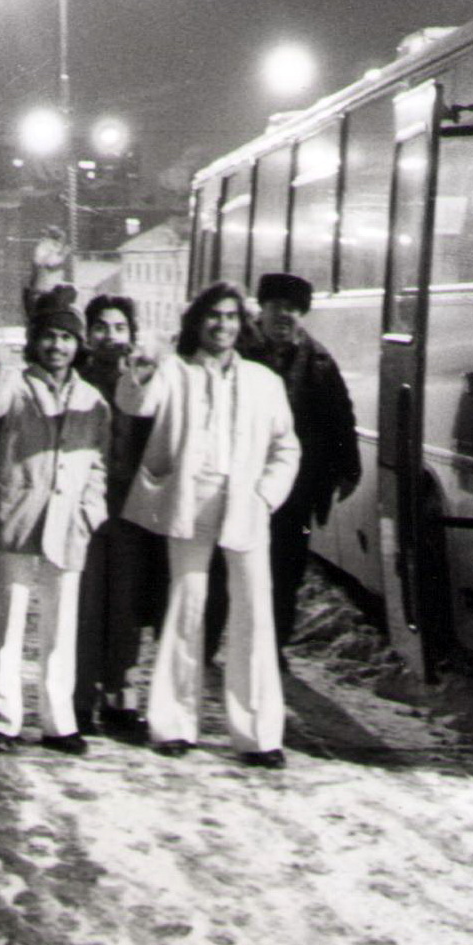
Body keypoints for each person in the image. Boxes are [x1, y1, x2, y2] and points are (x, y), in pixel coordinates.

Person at [118, 282, 300, 769]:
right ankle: (174, 724)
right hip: (189, 501)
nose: (223, 325)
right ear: (198, 322)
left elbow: (287, 448)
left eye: (232, 317)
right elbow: (135, 403)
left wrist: (266, 495)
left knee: (254, 611)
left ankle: (260, 734)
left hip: (246, 505)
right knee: (187, 604)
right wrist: (141, 368)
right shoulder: (174, 372)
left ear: (244, 324)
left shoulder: (265, 381)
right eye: (213, 316)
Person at [0, 298, 110, 754]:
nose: (56, 346)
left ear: (78, 345)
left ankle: (58, 721)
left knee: (61, 624)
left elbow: (99, 464)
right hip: (19, 518)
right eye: (48, 336)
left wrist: (91, 511)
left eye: (66, 338)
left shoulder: (93, 401)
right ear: (34, 341)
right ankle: (4, 719)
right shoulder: (16, 388)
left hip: (69, 524)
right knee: (8, 619)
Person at [250, 273, 361, 663]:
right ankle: (221, 638)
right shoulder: (238, 352)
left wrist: (349, 468)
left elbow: (340, 418)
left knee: (288, 567)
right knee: (239, 564)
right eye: (277, 307)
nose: (285, 316)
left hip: (297, 490)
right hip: (243, 484)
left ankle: (272, 645)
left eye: (294, 310)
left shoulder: (319, 361)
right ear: (261, 309)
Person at [71, 294, 165, 738]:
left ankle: (120, 695)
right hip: (84, 506)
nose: (110, 337)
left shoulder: (146, 378)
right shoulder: (76, 377)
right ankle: (81, 697)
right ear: (88, 334)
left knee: (126, 605)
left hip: (131, 508)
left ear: (132, 334)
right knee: (87, 604)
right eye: (101, 327)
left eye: (119, 328)